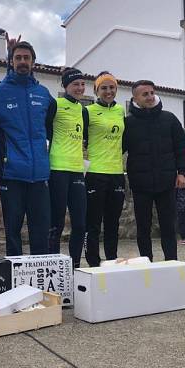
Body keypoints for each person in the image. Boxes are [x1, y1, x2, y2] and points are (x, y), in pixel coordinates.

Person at [0, 40, 53, 256]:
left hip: (40, 175)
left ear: (34, 62)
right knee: (13, 232)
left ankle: (40, 280)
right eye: (18, 58)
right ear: (10, 62)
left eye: (26, 58)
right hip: (12, 173)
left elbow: (50, 126)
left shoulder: (44, 94)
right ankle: (15, 281)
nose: (22, 62)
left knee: (40, 231)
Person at [123, 80, 185, 262]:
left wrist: (182, 172)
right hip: (140, 184)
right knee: (143, 228)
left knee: (168, 226)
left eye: (152, 92)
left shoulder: (169, 119)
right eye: (145, 94)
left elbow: (181, 148)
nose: (150, 97)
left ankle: (172, 264)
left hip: (166, 182)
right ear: (135, 98)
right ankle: (146, 266)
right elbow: (116, 149)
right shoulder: (128, 123)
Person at [47, 68, 88, 268]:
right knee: (57, 222)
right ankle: (54, 265)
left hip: (77, 169)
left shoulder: (83, 110)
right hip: (57, 168)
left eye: (82, 84)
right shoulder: (55, 104)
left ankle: (75, 265)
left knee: (80, 223)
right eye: (75, 84)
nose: (80, 88)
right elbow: (45, 132)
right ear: (65, 86)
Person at [84, 71, 126, 267]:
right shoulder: (89, 111)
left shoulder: (120, 111)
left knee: (113, 223)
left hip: (117, 173)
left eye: (111, 87)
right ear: (96, 90)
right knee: (93, 223)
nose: (108, 91)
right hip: (95, 173)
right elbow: (81, 140)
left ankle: (111, 262)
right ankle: (93, 263)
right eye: (104, 88)